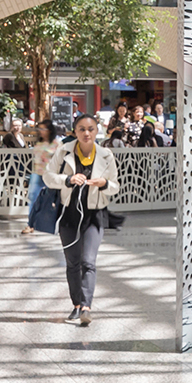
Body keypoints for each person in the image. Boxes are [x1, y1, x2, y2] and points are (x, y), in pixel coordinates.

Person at [44, 113, 119, 327]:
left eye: (91, 129)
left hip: (95, 215)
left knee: (89, 261)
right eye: (82, 129)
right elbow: (48, 177)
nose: (87, 133)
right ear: (75, 132)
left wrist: (104, 183)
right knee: (73, 263)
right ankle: (76, 304)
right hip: (69, 214)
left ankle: (86, 306)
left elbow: (115, 186)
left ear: (97, 131)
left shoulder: (106, 155)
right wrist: (68, 179)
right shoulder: (64, 151)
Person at [22, 120, 61, 236]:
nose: (41, 132)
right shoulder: (39, 143)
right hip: (37, 173)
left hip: (50, 175)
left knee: (54, 199)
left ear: (49, 130)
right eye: (39, 129)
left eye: (43, 129)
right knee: (33, 197)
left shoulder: (57, 144)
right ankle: (31, 224)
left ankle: (57, 222)